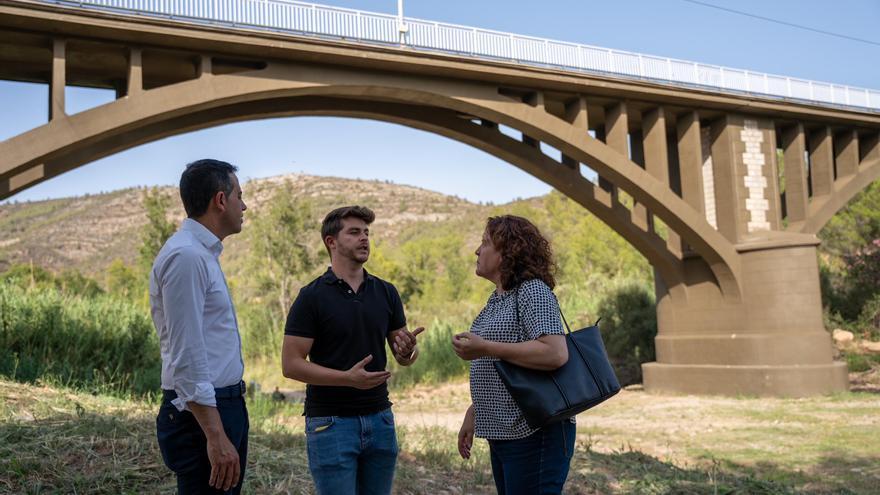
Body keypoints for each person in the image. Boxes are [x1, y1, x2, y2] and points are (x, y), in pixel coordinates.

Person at [281, 205, 424, 495]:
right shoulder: (311, 297)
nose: (364, 239)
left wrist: (408, 351)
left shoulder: (386, 292)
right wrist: (347, 378)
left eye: (367, 233)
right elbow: (291, 364)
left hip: (381, 419)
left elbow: (402, 355)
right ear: (331, 242)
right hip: (330, 425)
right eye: (355, 232)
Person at [452, 215, 574, 495]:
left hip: (535, 432)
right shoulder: (497, 299)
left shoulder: (533, 291)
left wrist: (484, 346)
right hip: (506, 432)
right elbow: (504, 367)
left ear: (507, 252)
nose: (477, 251)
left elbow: (555, 353)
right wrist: (475, 411)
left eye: (485, 243)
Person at [150, 159, 249, 494]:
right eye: (239, 195)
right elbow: (187, 355)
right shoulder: (187, 257)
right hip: (202, 417)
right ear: (220, 200)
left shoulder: (200, 255)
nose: (244, 205)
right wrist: (216, 435)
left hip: (219, 407)